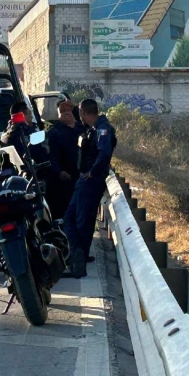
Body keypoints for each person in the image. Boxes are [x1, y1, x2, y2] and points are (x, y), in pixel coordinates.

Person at [64, 98, 117, 278]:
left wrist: (92, 173)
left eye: (80, 112)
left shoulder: (102, 129)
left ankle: (79, 259)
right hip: (85, 181)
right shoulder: (94, 129)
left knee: (82, 222)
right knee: (72, 218)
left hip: (90, 182)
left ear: (85, 112)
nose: (79, 116)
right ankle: (79, 254)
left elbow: (104, 153)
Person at [46, 100, 85, 220]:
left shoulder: (80, 128)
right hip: (60, 180)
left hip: (78, 177)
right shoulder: (54, 131)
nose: (66, 114)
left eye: (69, 111)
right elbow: (51, 156)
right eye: (63, 112)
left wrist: (74, 123)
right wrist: (59, 172)